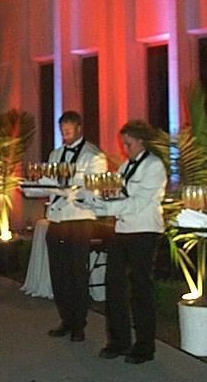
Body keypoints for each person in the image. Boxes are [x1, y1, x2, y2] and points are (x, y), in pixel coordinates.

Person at [80, 120, 167, 364]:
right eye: (123, 144)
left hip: (145, 231)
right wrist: (95, 201)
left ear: (141, 141)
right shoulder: (126, 166)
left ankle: (145, 346)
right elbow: (116, 193)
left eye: (128, 144)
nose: (124, 148)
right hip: (122, 230)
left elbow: (139, 202)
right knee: (114, 284)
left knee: (140, 288)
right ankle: (118, 340)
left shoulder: (154, 166)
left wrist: (107, 207)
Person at [23, 111, 107, 342]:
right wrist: (36, 185)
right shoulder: (56, 154)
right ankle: (66, 319)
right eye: (63, 132)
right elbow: (50, 183)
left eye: (69, 131)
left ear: (79, 128)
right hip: (57, 218)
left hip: (79, 219)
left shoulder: (94, 156)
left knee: (77, 273)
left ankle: (79, 323)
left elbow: (94, 190)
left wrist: (66, 190)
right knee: (59, 273)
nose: (65, 135)